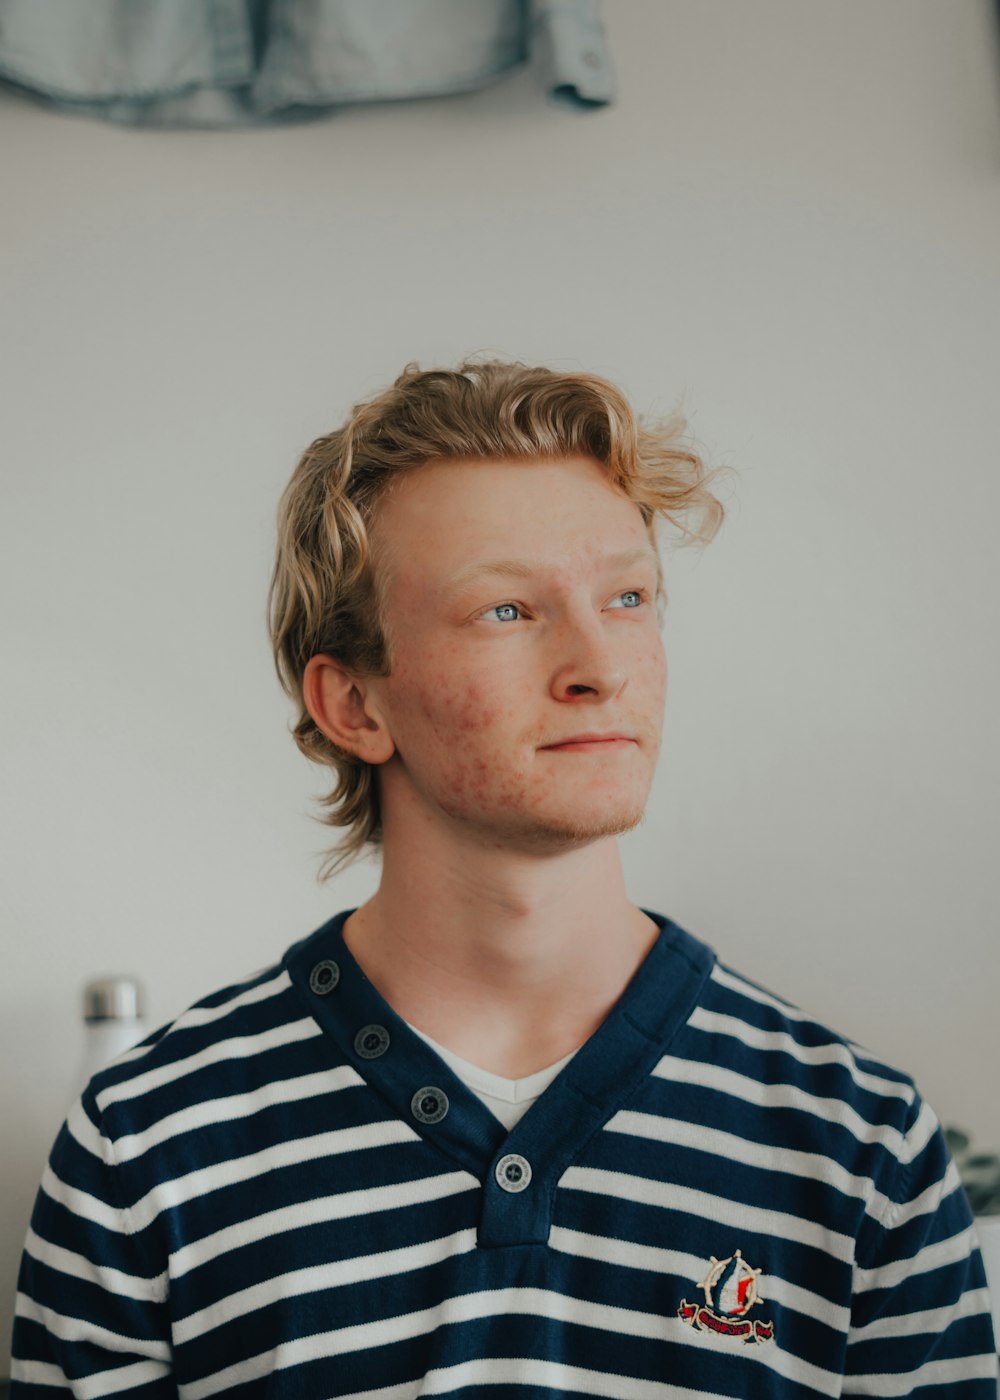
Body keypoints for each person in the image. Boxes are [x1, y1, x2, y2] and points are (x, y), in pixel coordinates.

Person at [11, 359, 997, 1396]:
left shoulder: (859, 1142)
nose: (599, 663)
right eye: (507, 611)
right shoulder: (146, 1148)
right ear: (353, 704)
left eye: (626, 596)